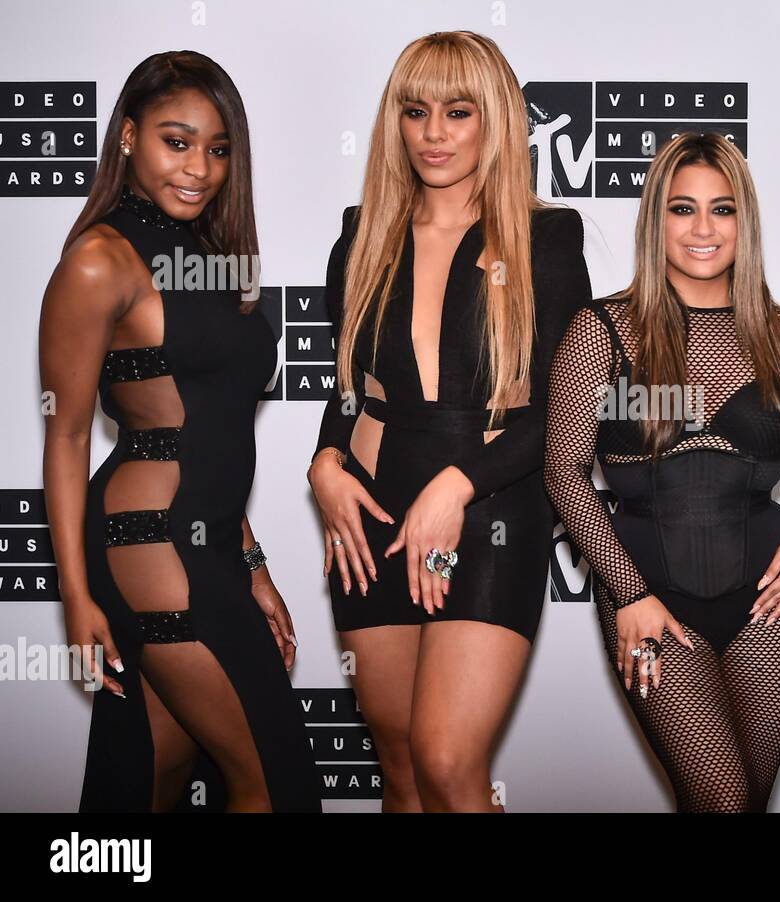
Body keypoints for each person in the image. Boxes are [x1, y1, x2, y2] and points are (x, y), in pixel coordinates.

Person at [307, 31, 591, 812]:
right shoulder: (360, 238)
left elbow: (565, 417)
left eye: (458, 112)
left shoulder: (546, 239)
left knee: (445, 758)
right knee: (400, 768)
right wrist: (324, 465)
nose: (433, 133)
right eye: (416, 111)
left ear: (493, 120)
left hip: (493, 509)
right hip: (372, 514)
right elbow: (352, 393)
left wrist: (457, 487)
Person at [41, 51, 319, 812]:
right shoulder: (100, 261)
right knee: (275, 783)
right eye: (177, 141)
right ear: (128, 138)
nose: (199, 167)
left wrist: (251, 561)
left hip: (208, 538)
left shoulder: (211, 258)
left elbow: (215, 433)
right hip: (147, 540)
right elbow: (65, 437)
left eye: (219, 149)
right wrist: (74, 594)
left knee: (154, 778)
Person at [544, 131, 780, 812]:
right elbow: (564, 469)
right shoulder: (602, 329)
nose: (703, 229)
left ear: (745, 222)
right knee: (722, 801)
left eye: (723, 210)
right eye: (682, 209)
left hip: (770, 603)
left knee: (743, 805)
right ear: (655, 219)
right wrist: (629, 593)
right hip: (650, 599)